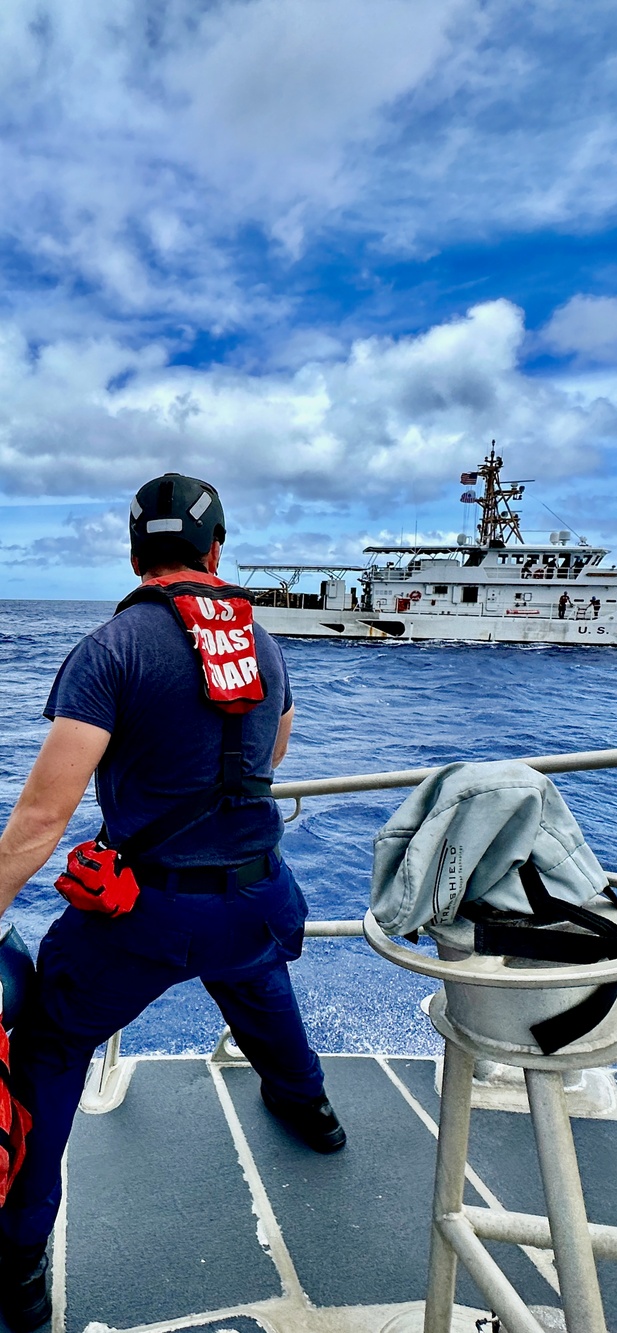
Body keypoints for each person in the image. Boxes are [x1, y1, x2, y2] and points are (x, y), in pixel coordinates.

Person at [0, 473, 343, 1331]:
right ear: (216, 551)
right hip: (257, 891)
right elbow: (271, 754)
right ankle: (311, 1109)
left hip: (146, 915)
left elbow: (42, 818)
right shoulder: (262, 643)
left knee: (51, 1042)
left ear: (132, 553)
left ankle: (17, 1264)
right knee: (258, 980)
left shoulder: (112, 648)